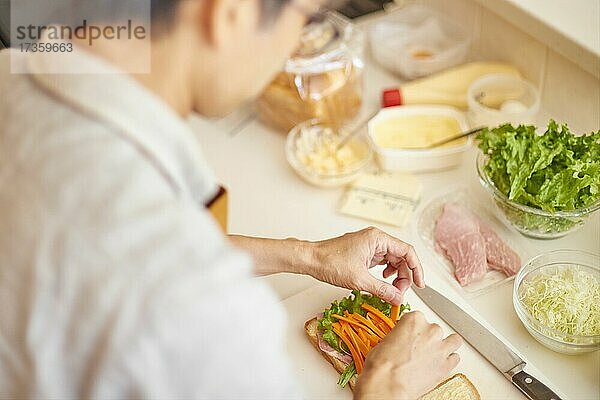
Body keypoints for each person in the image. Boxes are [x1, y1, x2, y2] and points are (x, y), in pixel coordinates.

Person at [0, 0, 462, 398]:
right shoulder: (209, 315)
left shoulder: (14, 67)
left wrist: (310, 256)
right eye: (303, 20)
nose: (293, 48)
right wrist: (388, 384)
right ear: (229, 13)